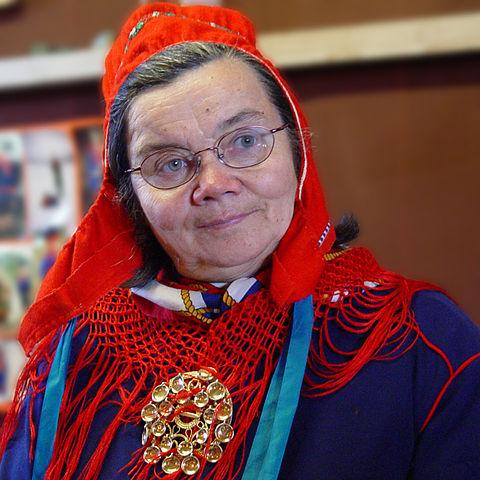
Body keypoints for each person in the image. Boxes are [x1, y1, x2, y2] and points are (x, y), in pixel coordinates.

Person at [1, 3, 479, 479]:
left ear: (297, 151)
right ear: (128, 198)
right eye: (168, 163)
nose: (214, 182)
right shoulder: (74, 360)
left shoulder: (420, 343)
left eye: (245, 141)